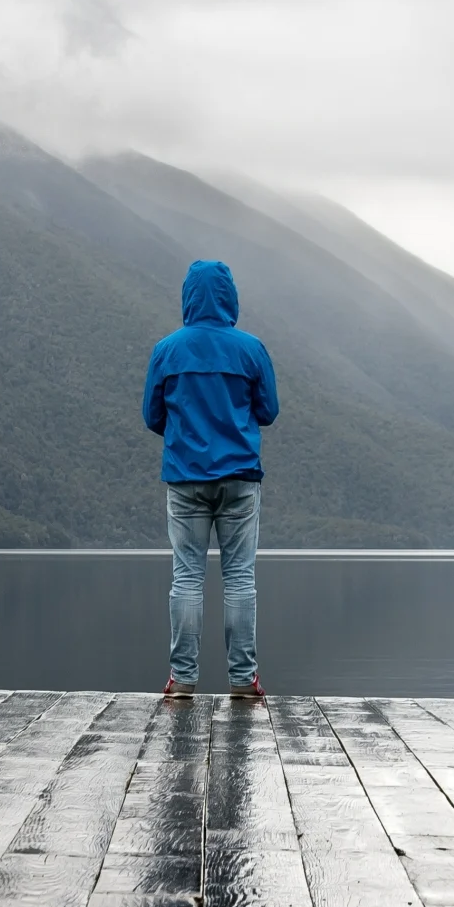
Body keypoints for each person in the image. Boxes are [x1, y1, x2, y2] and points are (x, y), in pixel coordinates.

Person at [142, 260, 279, 699]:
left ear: (187, 296)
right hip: (240, 477)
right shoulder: (251, 348)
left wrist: (187, 434)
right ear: (229, 296)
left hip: (184, 478)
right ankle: (243, 680)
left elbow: (152, 416)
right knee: (239, 578)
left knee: (187, 577)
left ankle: (182, 679)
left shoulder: (167, 349)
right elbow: (269, 411)